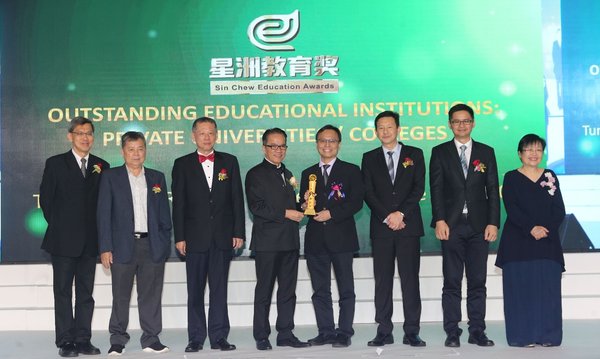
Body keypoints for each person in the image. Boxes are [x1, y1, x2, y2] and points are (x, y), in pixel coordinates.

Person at [171, 117, 245, 352]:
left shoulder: (229, 162)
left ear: (217, 135)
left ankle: (219, 336)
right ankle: (195, 338)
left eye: (211, 133)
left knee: (219, 289)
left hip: (223, 237)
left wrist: (238, 232)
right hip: (194, 238)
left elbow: (236, 199)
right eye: (202, 133)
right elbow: (179, 204)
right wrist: (180, 236)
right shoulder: (181, 164)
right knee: (195, 291)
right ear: (193, 136)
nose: (206, 137)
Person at [429, 103, 500, 348]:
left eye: (466, 120)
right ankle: (452, 331)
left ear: (473, 123)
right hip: (451, 225)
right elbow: (436, 190)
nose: (461, 125)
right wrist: (439, 219)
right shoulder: (440, 152)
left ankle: (477, 330)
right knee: (452, 281)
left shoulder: (486, 151)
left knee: (478, 281)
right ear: (449, 124)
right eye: (456, 121)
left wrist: (493, 222)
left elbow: (492, 189)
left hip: (480, 226)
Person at [97, 132, 172, 355]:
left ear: (145, 150)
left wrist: (163, 242)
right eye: (131, 149)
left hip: (152, 246)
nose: (136, 154)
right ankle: (118, 339)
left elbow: (164, 216)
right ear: (123, 152)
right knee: (120, 295)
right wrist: (105, 247)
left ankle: (151, 338)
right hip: (121, 246)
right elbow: (103, 215)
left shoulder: (157, 177)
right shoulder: (111, 177)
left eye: (140, 148)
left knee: (151, 295)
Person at [40, 116, 109, 357]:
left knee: (85, 293)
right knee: (62, 292)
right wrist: (63, 228)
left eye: (89, 133)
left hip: (90, 242)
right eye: (80, 133)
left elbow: (104, 206)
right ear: (70, 136)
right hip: (62, 240)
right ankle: (65, 341)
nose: (85, 137)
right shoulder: (56, 163)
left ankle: (83, 339)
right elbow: (47, 202)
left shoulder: (102, 165)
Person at [361, 111, 427, 347]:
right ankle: (384, 330)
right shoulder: (369, 158)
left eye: (389, 126)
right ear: (376, 131)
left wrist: (400, 214)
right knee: (383, 280)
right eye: (380, 127)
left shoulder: (415, 154)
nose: (385, 131)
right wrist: (387, 216)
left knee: (410, 280)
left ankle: (412, 331)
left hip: (408, 226)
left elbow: (418, 188)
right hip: (382, 228)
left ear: (398, 128)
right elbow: (368, 192)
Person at [495, 134, 566, 347]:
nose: (534, 154)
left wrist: (544, 230)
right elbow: (512, 208)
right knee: (520, 291)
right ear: (520, 153)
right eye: (529, 150)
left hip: (547, 242)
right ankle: (521, 336)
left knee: (549, 291)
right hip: (518, 242)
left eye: (538, 150)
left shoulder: (550, 176)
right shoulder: (510, 177)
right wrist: (531, 228)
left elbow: (559, 210)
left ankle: (549, 336)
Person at [245, 128, 310, 351]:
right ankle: (261, 335)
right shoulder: (255, 174)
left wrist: (303, 206)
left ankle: (285, 333)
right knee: (264, 290)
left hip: (290, 241)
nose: (278, 150)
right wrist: (286, 213)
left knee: (287, 291)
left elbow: (292, 208)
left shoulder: (288, 172)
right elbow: (257, 207)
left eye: (282, 146)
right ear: (264, 147)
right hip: (267, 243)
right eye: (273, 146)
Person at [299, 125, 364, 348]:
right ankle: (325, 331)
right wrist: (304, 201)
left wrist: (332, 213)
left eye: (332, 141)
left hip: (342, 238)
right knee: (320, 289)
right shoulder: (308, 173)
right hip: (315, 239)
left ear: (339, 144)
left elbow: (356, 202)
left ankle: (344, 331)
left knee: (346, 288)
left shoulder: (351, 170)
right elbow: (304, 205)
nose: (327, 145)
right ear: (317, 144)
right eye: (323, 141)